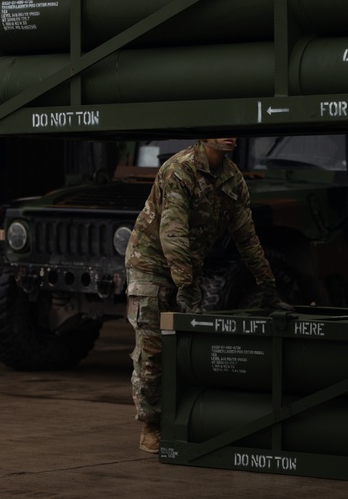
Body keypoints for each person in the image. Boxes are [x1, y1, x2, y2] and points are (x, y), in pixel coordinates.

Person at [123, 137, 292, 454]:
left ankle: (184, 420)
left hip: (187, 268)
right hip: (151, 266)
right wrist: (186, 286)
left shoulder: (232, 178)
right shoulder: (180, 169)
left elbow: (246, 236)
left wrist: (267, 285)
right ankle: (151, 425)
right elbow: (172, 232)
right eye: (220, 129)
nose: (230, 136)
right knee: (152, 350)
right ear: (204, 135)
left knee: (188, 350)